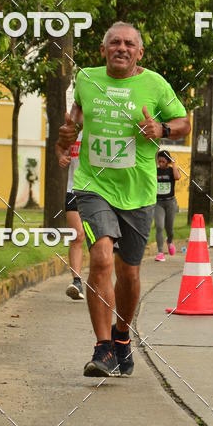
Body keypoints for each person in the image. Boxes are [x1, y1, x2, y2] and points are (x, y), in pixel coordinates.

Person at [56, 21, 191, 377]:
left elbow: (183, 122)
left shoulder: (155, 84)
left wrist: (161, 129)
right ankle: (102, 349)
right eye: (114, 43)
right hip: (92, 184)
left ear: (139, 53)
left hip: (138, 191)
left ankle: (121, 336)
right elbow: (77, 116)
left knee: (128, 272)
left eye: (129, 44)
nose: (121, 48)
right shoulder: (86, 78)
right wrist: (67, 134)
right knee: (100, 257)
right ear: (103, 50)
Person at [56, 130, 85, 299]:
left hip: (99, 192)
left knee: (100, 240)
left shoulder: (102, 128)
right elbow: (59, 146)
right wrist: (61, 156)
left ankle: (100, 282)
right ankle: (77, 282)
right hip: (73, 189)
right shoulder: (73, 132)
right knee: (78, 235)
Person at [154, 150, 180, 261]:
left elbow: (177, 177)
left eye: (163, 161)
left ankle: (169, 241)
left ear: (167, 161)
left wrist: (173, 165)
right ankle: (160, 252)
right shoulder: (155, 171)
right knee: (159, 226)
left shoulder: (171, 171)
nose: (160, 163)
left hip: (170, 202)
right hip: (158, 203)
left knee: (169, 228)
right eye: (159, 161)